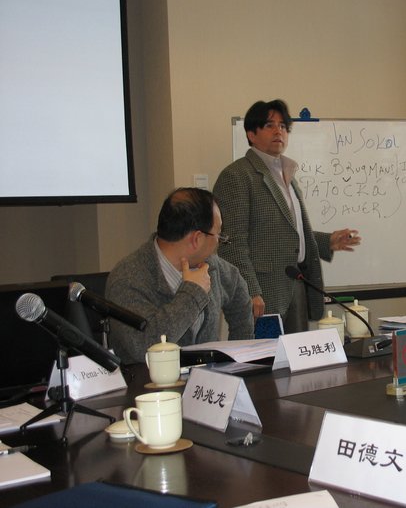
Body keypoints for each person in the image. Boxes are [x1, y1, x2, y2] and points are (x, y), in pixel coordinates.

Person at [213, 99, 361, 333]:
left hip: (295, 285)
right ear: (251, 134)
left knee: (296, 354)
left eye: (283, 126)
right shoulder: (237, 176)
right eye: (269, 125)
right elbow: (231, 244)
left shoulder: (287, 175)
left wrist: (328, 241)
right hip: (261, 294)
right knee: (264, 354)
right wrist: (250, 290)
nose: (278, 131)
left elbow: (286, 233)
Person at [106, 187, 253, 365]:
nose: (218, 242)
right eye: (218, 235)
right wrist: (192, 293)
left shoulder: (211, 265)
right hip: (146, 381)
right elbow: (145, 346)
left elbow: (240, 297)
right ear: (197, 239)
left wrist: (236, 360)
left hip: (206, 379)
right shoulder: (128, 278)